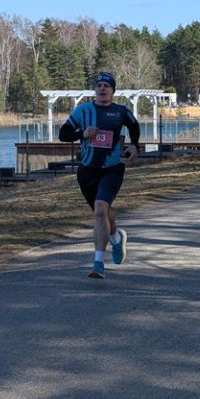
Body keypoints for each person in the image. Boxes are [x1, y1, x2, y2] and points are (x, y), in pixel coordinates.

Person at [58, 72, 140, 279]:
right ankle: (115, 237)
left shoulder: (121, 111)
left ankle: (98, 263)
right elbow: (63, 134)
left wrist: (134, 145)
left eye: (107, 86)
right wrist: (82, 134)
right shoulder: (83, 110)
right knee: (102, 212)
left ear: (113, 91)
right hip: (87, 171)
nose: (102, 89)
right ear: (95, 90)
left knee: (100, 209)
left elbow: (134, 126)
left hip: (112, 169)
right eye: (99, 86)